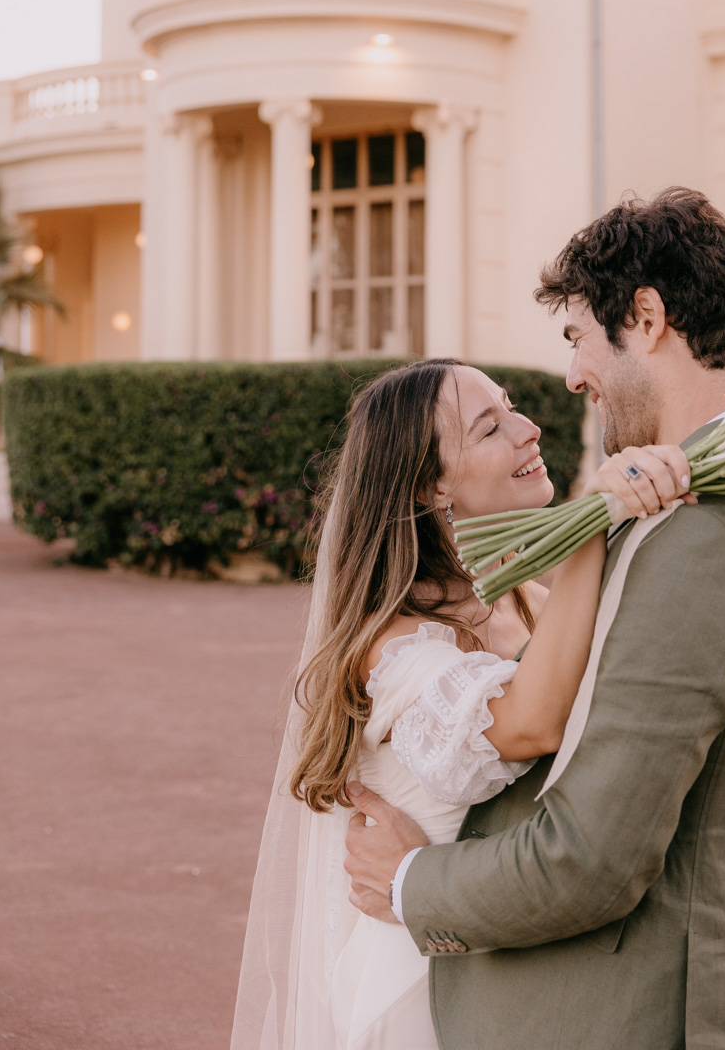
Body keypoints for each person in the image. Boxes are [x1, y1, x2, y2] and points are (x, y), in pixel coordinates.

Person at [344, 187, 725, 1050]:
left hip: (635, 1010)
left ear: (643, 317)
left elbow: (589, 860)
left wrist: (408, 882)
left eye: (577, 337)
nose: (570, 378)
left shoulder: (698, 540)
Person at [230, 356, 692, 1050]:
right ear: (430, 482)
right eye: (490, 427)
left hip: (506, 958)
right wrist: (590, 527)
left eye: (512, 407)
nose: (529, 428)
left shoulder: (527, 601)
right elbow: (530, 724)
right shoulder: (391, 645)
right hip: (415, 982)